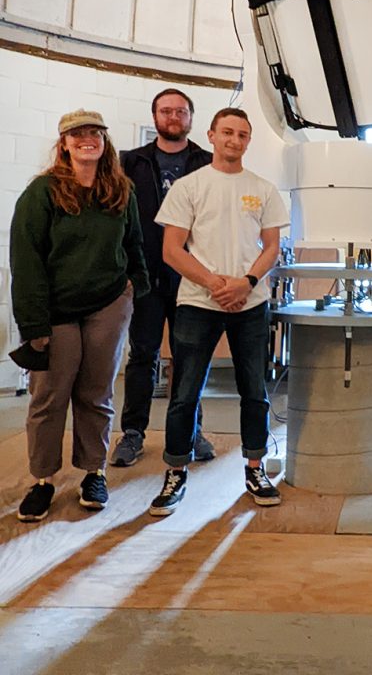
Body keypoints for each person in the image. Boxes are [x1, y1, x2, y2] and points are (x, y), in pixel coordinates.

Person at [10, 109, 149, 522]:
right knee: (49, 396)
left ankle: (94, 471)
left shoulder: (121, 190)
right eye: (78, 134)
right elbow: (27, 260)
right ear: (65, 143)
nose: (87, 140)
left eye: (95, 133)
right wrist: (34, 324)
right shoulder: (42, 192)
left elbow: (135, 244)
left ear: (104, 141)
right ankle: (43, 480)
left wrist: (134, 288)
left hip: (107, 303)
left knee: (96, 393)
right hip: (56, 310)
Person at [148, 107, 288, 516]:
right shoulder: (190, 187)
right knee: (186, 392)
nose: (234, 140)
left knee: (254, 391)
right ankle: (175, 472)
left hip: (250, 302)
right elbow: (171, 250)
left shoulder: (262, 189)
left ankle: (255, 468)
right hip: (198, 302)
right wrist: (215, 284)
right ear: (211, 136)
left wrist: (244, 283)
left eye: (242, 134)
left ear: (248, 141)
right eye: (227, 132)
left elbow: (272, 248)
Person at [111, 88, 213, 467]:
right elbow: (116, 217)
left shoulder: (208, 162)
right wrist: (124, 270)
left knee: (190, 358)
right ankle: (133, 433)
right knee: (143, 357)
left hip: (192, 277)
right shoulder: (130, 162)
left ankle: (192, 430)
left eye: (181, 111)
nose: (174, 117)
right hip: (146, 277)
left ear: (190, 118)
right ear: (155, 116)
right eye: (166, 111)